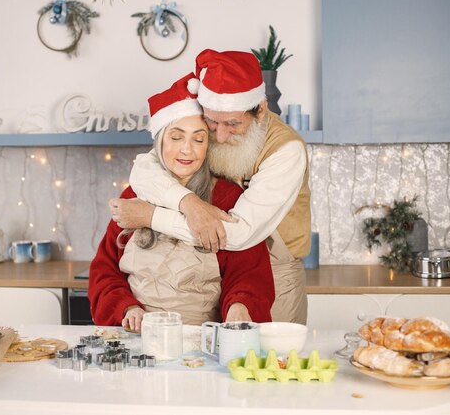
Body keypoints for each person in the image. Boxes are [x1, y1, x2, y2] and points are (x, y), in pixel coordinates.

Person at [112, 49, 311, 324]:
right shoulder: (209, 122)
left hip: (274, 273)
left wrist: (151, 216)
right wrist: (189, 203)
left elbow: (238, 233)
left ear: (260, 110)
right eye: (212, 122)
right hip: (215, 278)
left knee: (272, 362)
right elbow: (146, 168)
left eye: (232, 124)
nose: (218, 135)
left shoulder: (286, 151)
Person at [88, 73, 274, 332]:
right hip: (137, 339)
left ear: (208, 145)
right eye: (176, 138)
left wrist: (240, 306)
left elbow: (250, 277)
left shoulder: (227, 198)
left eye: (198, 139)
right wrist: (126, 307)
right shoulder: (134, 196)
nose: (187, 149)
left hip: (201, 340)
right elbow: (104, 273)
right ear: (160, 141)